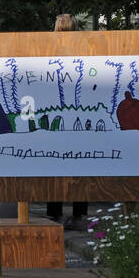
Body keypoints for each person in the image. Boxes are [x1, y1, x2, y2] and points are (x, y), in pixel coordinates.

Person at [47, 14, 88, 230]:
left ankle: (54, 213)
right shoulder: (84, 47)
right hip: (78, 111)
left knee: (55, 165)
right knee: (80, 164)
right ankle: (79, 214)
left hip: (55, 113)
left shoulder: (47, 48)